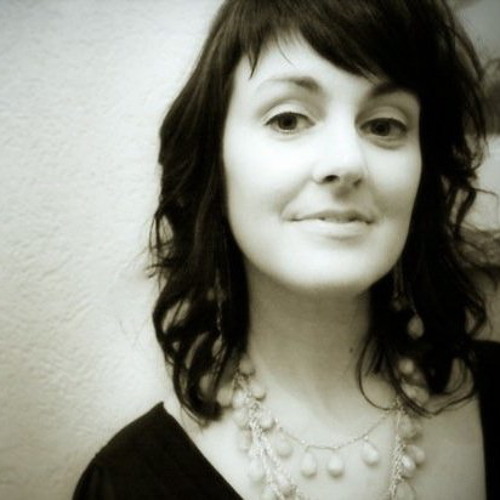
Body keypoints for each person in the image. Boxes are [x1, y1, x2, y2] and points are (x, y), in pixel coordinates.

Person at [74, 0, 500, 498]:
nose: (346, 161)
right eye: (289, 119)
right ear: (215, 163)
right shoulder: (126, 485)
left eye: (384, 125)